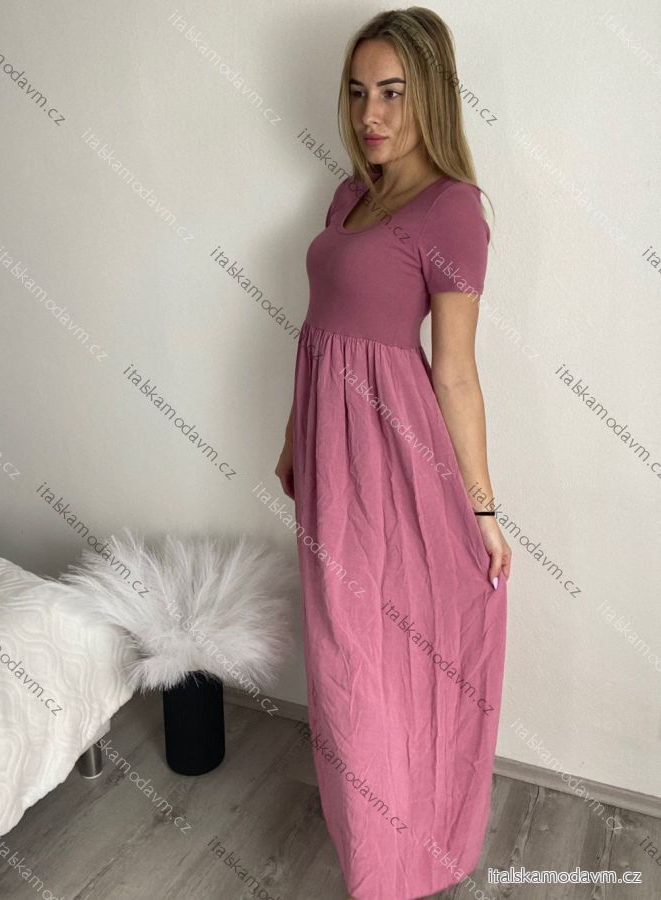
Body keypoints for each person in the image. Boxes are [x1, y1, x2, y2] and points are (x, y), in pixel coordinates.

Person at [275, 7, 511, 899]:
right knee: (342, 657)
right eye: (357, 92)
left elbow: (454, 372)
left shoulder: (453, 210)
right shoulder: (349, 196)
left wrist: (481, 507)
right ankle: (375, 843)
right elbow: (319, 331)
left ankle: (401, 863)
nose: (370, 114)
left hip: (395, 458)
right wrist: (294, 438)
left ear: (432, 97)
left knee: (378, 660)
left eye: (392, 93)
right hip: (329, 453)